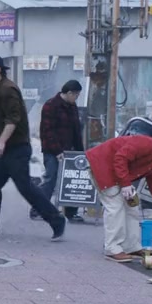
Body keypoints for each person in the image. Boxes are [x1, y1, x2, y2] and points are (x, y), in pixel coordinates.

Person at [0, 55, 67, 241]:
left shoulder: (7, 89)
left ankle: (56, 220)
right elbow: (7, 118)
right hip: (6, 150)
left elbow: (14, 118)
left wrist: (1, 142)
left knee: (25, 188)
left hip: (15, 149)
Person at [86, 134, 152, 262]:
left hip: (114, 171)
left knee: (132, 208)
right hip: (102, 166)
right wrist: (125, 184)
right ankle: (112, 248)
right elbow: (120, 157)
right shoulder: (146, 144)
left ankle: (131, 246)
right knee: (115, 208)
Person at [35, 80, 86, 223]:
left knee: (71, 180)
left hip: (70, 151)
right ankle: (38, 209)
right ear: (69, 93)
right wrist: (57, 151)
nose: (77, 98)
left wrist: (80, 152)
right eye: (76, 95)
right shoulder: (51, 106)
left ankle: (71, 212)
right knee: (50, 179)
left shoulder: (72, 107)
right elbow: (47, 131)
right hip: (52, 150)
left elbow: (76, 130)